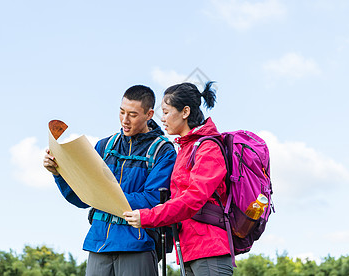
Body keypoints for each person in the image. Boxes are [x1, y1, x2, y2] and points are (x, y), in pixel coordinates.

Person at [43, 85, 176, 276]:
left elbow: (153, 200)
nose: (125, 120)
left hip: (137, 244)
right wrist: (58, 173)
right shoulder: (104, 146)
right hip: (98, 244)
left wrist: (105, 197)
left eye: (133, 114)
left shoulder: (163, 151)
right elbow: (82, 197)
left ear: (149, 114)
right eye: (121, 112)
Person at [123, 82, 233, 276]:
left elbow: (194, 198)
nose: (162, 119)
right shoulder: (185, 149)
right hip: (189, 250)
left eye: (166, 112)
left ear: (185, 112)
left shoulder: (208, 148)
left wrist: (149, 216)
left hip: (208, 249)